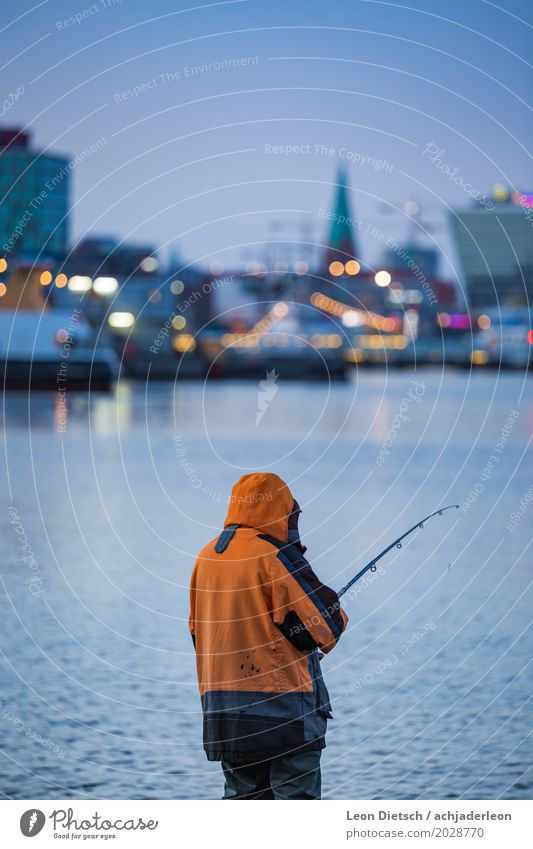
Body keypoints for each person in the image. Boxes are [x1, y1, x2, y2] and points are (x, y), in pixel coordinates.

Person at [189, 472, 348, 799]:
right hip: (284, 718)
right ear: (281, 513)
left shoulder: (204, 559)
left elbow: (199, 635)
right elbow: (329, 625)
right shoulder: (275, 558)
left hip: (226, 718)